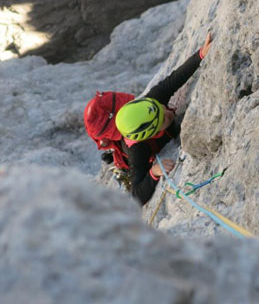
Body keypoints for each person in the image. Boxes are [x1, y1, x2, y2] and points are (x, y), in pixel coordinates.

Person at [84, 33, 212, 205]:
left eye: (162, 109)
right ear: (152, 133)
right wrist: (154, 172)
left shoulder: (151, 101)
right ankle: (116, 163)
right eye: (163, 121)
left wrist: (201, 54)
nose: (168, 114)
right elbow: (136, 196)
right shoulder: (138, 149)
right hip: (134, 159)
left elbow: (174, 79)